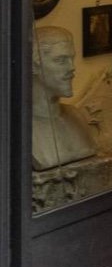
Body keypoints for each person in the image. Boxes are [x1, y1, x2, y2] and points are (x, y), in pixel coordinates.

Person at [32, 26, 96, 171]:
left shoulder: (76, 115)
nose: (72, 68)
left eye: (71, 59)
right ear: (34, 66)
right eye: (61, 60)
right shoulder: (23, 129)